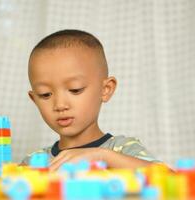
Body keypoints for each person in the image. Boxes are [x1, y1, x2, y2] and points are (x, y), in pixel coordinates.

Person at [22, 29, 162, 171]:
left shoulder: (121, 150)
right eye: (45, 94)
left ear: (105, 89)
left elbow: (171, 178)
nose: (60, 105)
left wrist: (102, 156)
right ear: (34, 100)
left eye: (75, 90)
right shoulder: (34, 162)